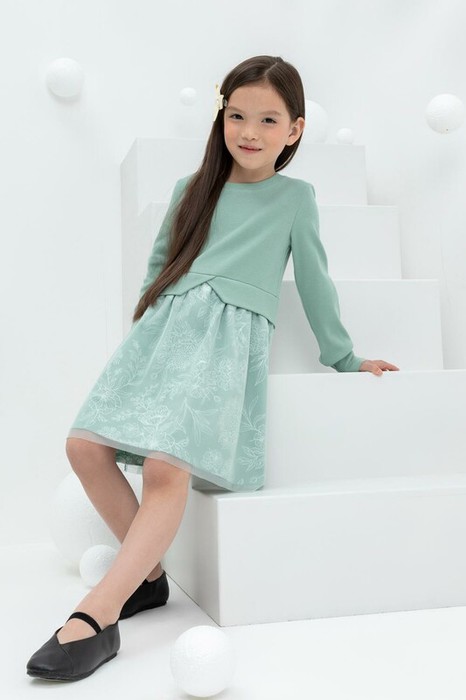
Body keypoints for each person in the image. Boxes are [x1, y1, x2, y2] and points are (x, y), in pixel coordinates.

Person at [26, 54, 399, 682]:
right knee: (84, 447)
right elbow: (159, 267)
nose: (249, 132)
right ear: (221, 116)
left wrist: (344, 356)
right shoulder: (192, 188)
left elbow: (315, 280)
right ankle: (147, 578)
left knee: (166, 467)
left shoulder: (295, 198)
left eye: (268, 120)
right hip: (164, 335)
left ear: (295, 130)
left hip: (225, 344)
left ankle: (97, 616)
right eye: (237, 116)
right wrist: (145, 340)